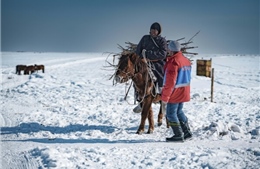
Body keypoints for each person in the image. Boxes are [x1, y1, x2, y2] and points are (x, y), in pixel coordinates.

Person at [161, 40, 192, 142]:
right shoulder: (185, 60)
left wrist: (165, 97)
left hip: (175, 92)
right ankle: (187, 132)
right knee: (179, 112)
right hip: (184, 90)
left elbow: (170, 82)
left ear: (171, 50)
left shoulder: (173, 62)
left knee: (170, 114)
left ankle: (178, 135)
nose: (168, 51)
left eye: (168, 49)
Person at [133, 22, 167, 113]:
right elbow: (138, 50)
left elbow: (163, 53)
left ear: (158, 31)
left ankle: (161, 96)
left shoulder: (162, 41)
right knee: (136, 78)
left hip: (157, 63)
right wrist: (142, 58)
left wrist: (148, 55)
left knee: (160, 76)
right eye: (152, 29)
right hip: (143, 62)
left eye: (155, 30)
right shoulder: (145, 38)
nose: (153, 31)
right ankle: (140, 101)